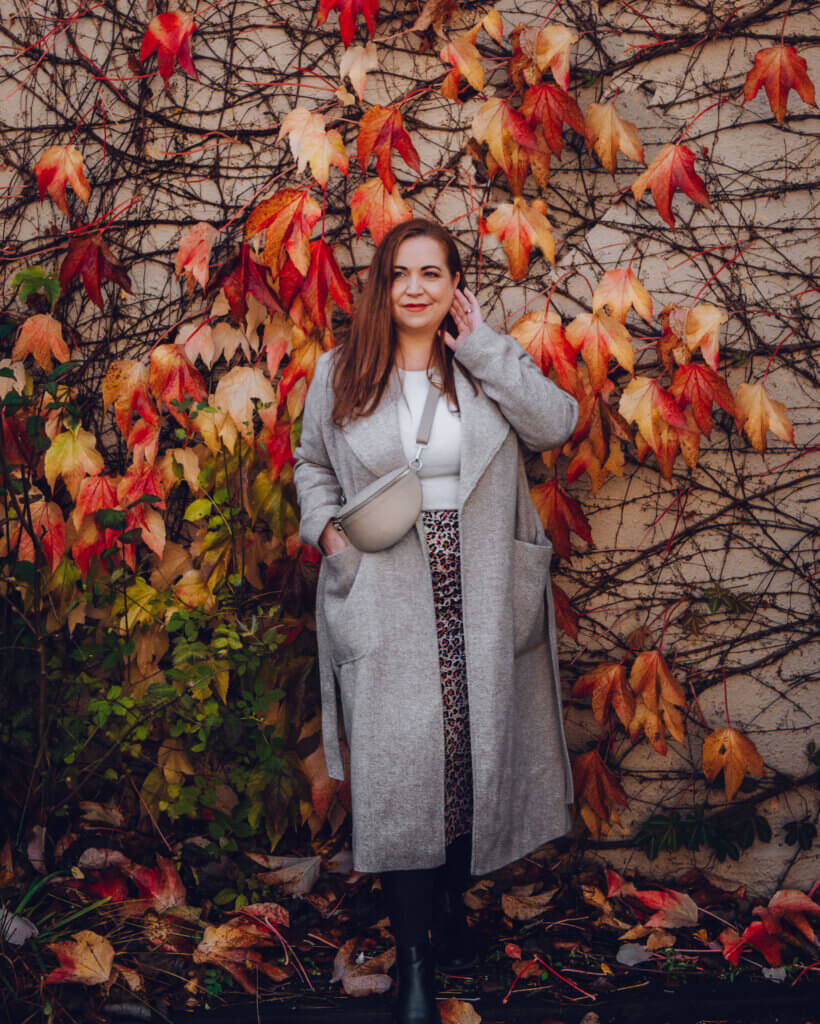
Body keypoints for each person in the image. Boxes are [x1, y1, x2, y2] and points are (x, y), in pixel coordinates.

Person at [293, 218, 579, 1024]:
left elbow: (557, 423)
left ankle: (448, 916)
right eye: (401, 273)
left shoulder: (484, 368)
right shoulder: (340, 372)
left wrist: (486, 346)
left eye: (434, 272)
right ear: (382, 287)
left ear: (456, 286)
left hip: (480, 587)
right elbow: (311, 463)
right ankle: (415, 958)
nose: (416, 287)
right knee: (402, 774)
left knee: (465, 761)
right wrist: (327, 531)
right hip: (384, 586)